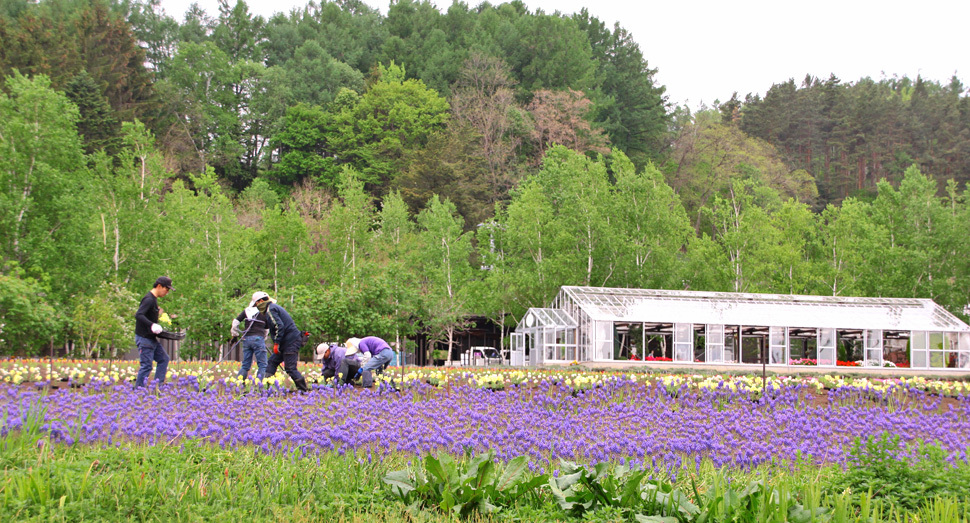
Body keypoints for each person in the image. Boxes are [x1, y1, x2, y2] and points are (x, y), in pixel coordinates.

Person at [262, 297, 309, 392]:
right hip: (285, 343)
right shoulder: (271, 309)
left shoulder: (271, 309)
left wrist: (276, 343)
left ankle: (304, 390)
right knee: (272, 362)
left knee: (290, 368)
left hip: (291, 342)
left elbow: (279, 326)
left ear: (261, 301)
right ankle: (267, 387)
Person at [134, 276, 174, 387]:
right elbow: (139, 315)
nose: (167, 292)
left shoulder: (153, 299)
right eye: (166, 289)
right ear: (159, 286)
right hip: (144, 338)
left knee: (163, 359)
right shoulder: (149, 299)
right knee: (146, 366)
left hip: (150, 338)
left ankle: (157, 386)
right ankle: (139, 391)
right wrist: (152, 325)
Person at [230, 291, 270, 380]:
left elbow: (235, 322)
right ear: (258, 301)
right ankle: (259, 386)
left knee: (245, 365)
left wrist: (235, 335)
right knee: (263, 365)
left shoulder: (247, 310)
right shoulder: (265, 312)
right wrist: (264, 338)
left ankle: (239, 384)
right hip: (258, 338)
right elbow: (266, 329)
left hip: (246, 339)